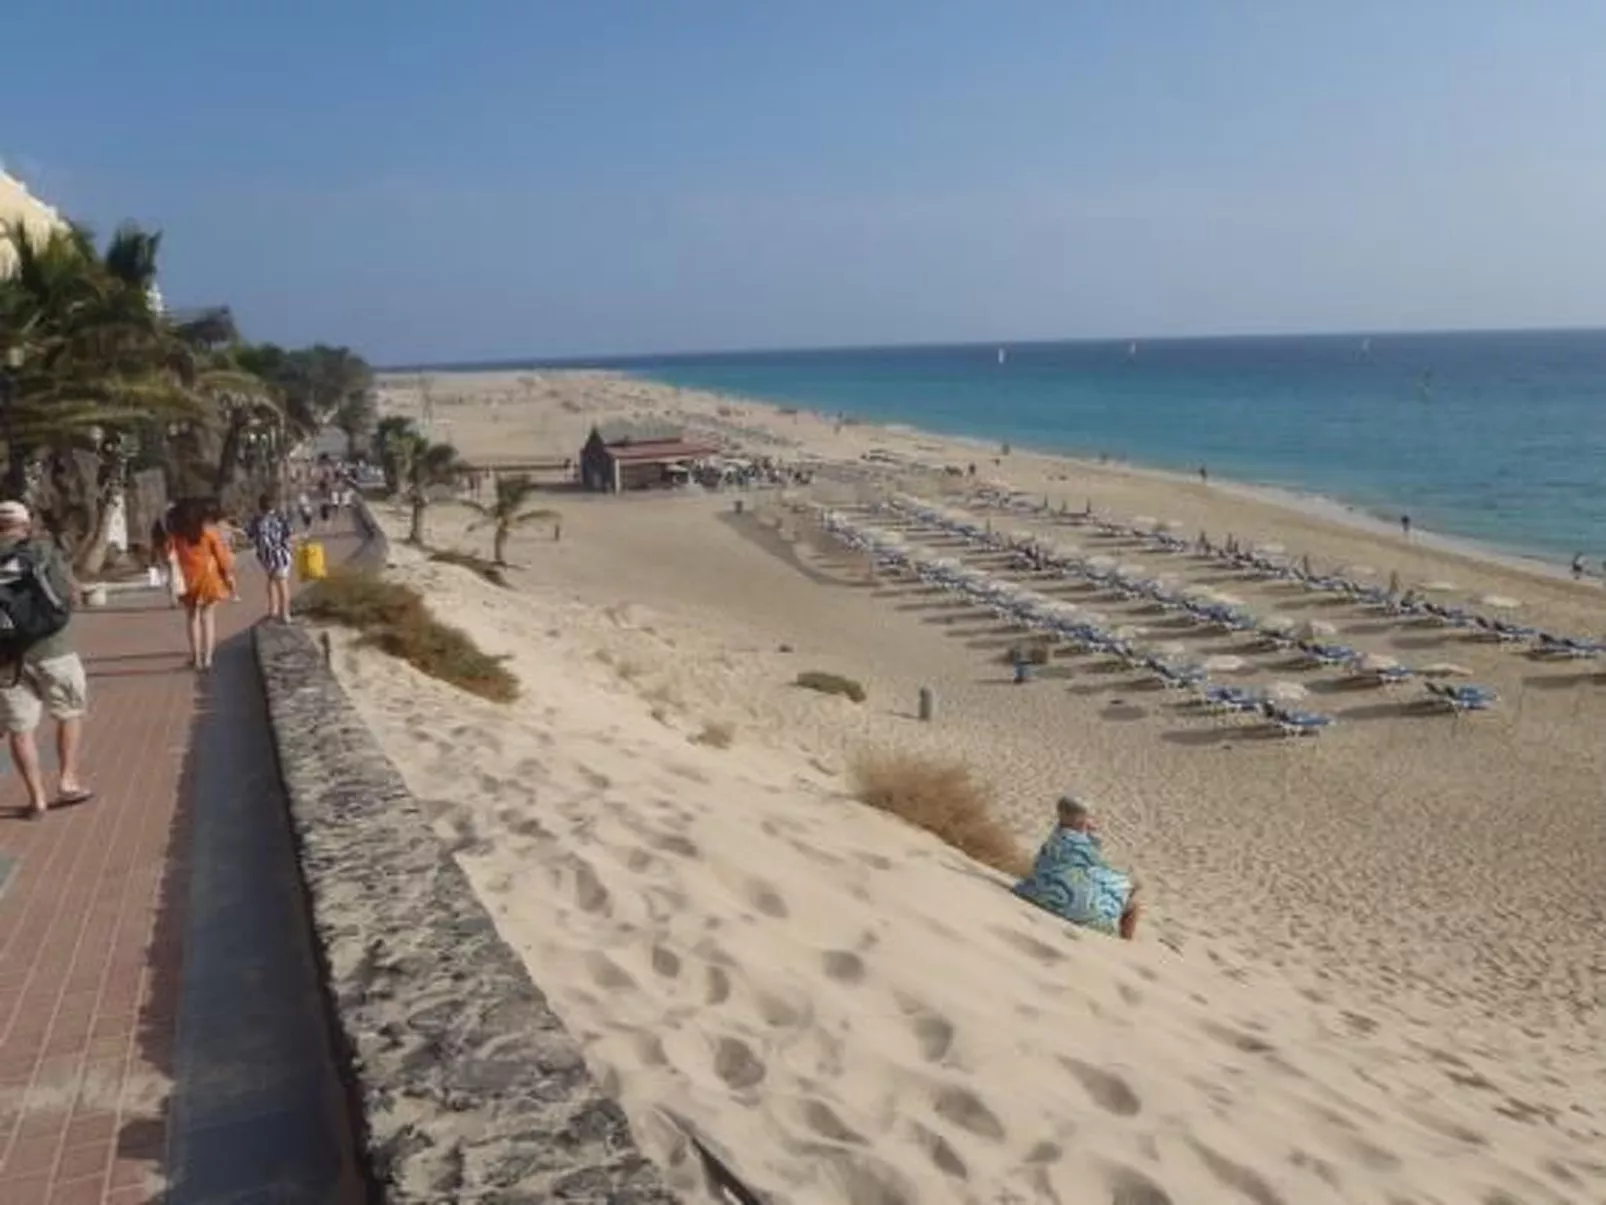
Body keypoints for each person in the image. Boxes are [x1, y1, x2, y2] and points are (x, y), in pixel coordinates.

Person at [0, 502, 91, 819]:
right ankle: (67, 781)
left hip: (7, 657)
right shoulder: (42, 550)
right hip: (54, 647)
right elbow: (70, 594)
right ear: (26, 524)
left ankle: (37, 799)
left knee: (20, 728)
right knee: (69, 712)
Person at [1014, 795, 1141, 940]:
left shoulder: (1056, 837)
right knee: (1130, 893)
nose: (1089, 820)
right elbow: (1097, 866)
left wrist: (1088, 835)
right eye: (1086, 817)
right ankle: (1124, 943)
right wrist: (1093, 840)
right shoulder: (1081, 843)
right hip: (1071, 905)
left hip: (1039, 890)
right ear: (1080, 820)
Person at [168, 497, 236, 671]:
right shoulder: (208, 533)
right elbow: (222, 557)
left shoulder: (177, 537)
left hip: (187, 581)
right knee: (208, 617)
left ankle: (196, 657)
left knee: (192, 618)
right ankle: (208, 659)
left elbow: (169, 555)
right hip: (208, 580)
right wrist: (228, 574)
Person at [246, 493, 295, 623]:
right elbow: (289, 534)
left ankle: (273, 610)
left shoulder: (257, 521)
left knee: (272, 580)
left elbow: (249, 535)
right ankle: (284, 613)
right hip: (281, 556)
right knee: (282, 584)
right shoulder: (281, 518)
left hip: (266, 558)